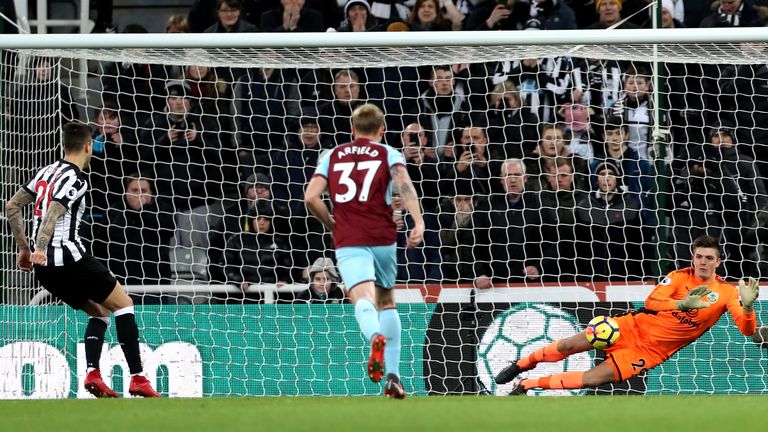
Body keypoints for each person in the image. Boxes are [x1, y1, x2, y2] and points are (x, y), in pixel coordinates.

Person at [3, 123, 160, 398]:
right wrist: (38, 247)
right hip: (70, 258)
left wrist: (25, 250)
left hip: (45, 270)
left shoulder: (45, 172)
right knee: (124, 306)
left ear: (65, 145)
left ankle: (93, 373)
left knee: (99, 312)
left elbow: (12, 206)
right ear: (88, 146)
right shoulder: (76, 179)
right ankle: (137, 378)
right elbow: (54, 212)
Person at [495, 234, 759, 395]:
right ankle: (523, 363)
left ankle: (530, 384)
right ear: (693, 258)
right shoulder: (679, 277)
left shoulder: (726, 293)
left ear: (718, 261)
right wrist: (680, 305)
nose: (703, 262)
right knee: (568, 344)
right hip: (631, 327)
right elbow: (652, 301)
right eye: (699, 257)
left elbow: (747, 330)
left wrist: (747, 308)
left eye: (709, 258)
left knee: (592, 379)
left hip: (651, 352)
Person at [304, 103, 425, 399]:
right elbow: (405, 187)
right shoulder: (389, 153)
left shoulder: (332, 155)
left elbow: (310, 197)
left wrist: (332, 223)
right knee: (387, 301)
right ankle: (394, 376)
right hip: (383, 237)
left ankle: (374, 338)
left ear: (352, 129)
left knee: (360, 297)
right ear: (382, 131)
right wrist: (418, 222)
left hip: (350, 237)